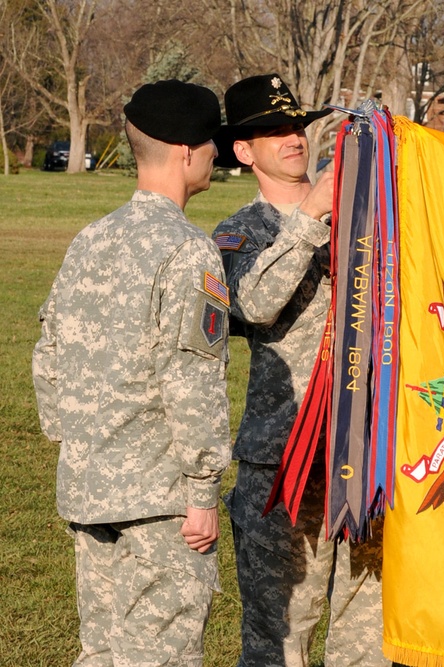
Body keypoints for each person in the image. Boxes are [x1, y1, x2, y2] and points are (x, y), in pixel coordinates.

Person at [32, 80, 231, 665]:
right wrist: (202, 491)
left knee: (100, 653)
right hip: (161, 503)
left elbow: (48, 354)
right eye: (212, 144)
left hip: (89, 489)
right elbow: (191, 378)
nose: (216, 154)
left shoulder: (89, 240)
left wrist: (75, 441)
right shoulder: (189, 251)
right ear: (189, 152)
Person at [212, 74, 388, 667]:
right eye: (273, 129)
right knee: (279, 636)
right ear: (243, 149)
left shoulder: (369, 216)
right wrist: (311, 214)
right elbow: (252, 306)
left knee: (369, 637)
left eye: (296, 125)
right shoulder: (241, 232)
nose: (293, 138)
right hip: (284, 461)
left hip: (371, 451)